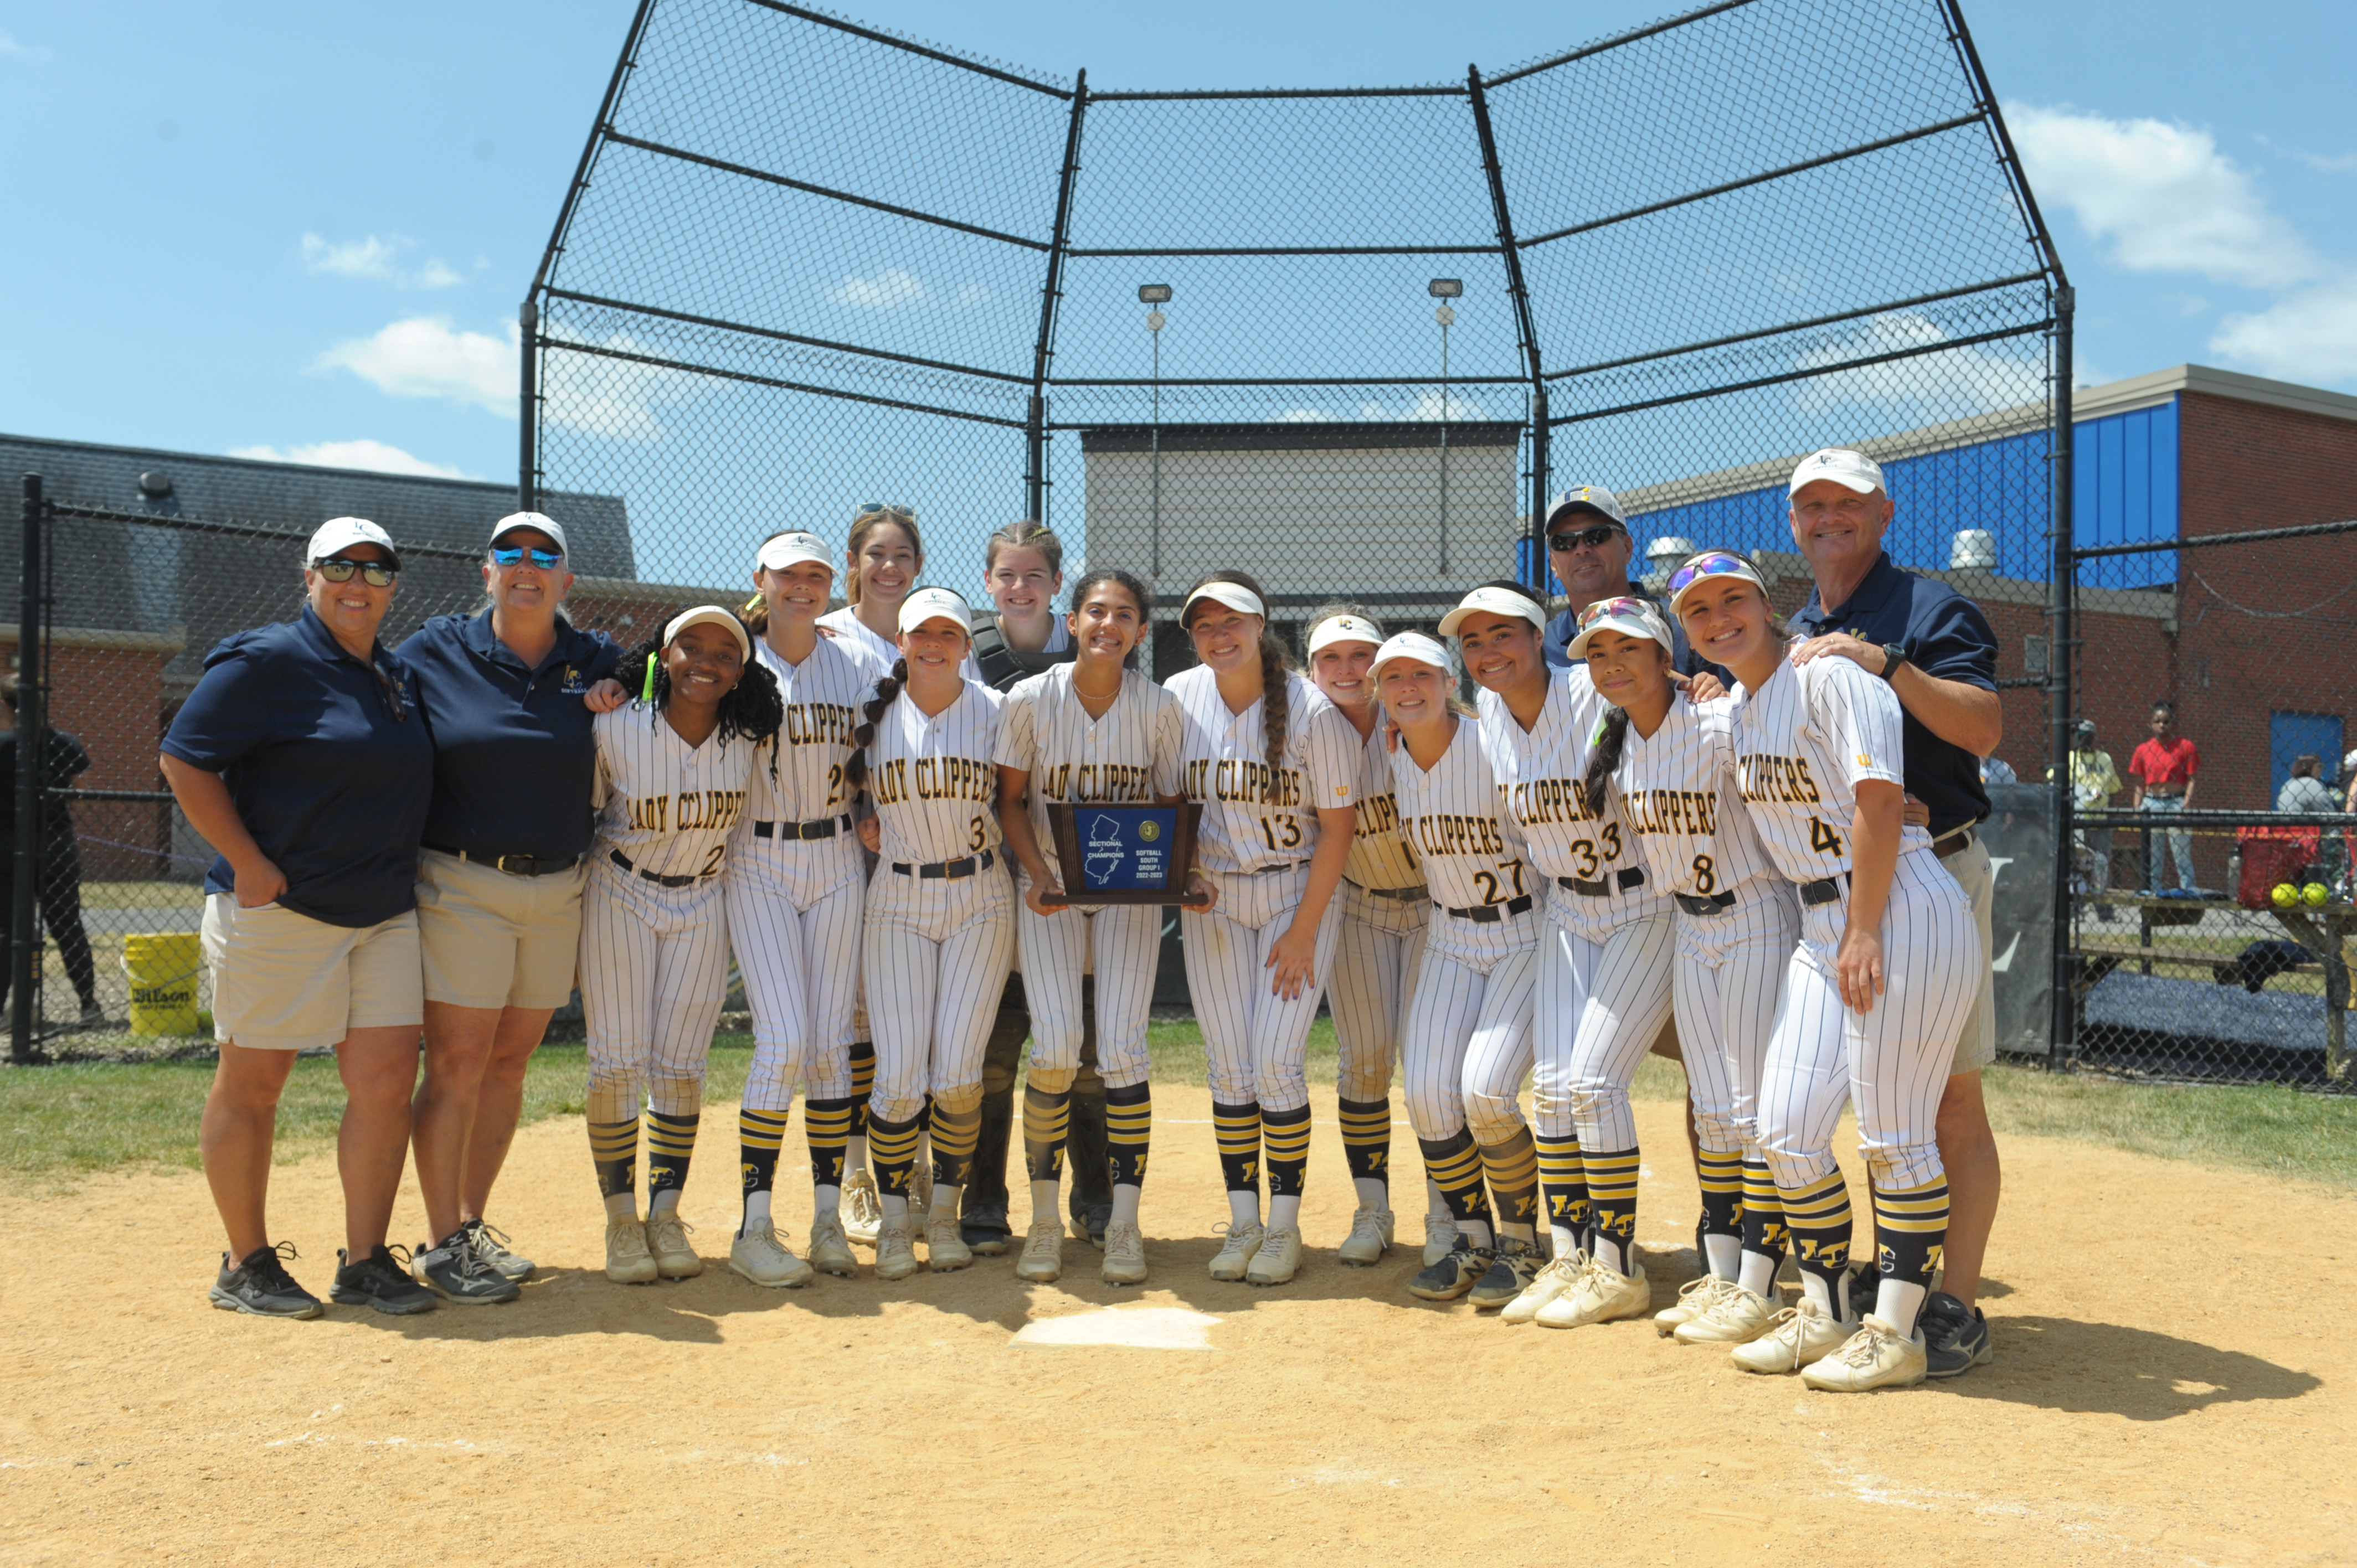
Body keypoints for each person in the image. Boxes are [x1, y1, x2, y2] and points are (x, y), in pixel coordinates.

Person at [1674, 549, 1982, 1391]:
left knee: (1895, 1135)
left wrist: (1864, 928)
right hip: (1820, 923)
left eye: (1731, 599)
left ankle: (1897, 1331)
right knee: (1785, 1130)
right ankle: (1825, 1308)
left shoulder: (1833, 677)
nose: (1717, 618)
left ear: (1768, 604)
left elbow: (1880, 802)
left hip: (1895, 915)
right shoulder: (1738, 708)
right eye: (1698, 611)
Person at [159, 517, 437, 1318]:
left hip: (382, 911)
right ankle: (244, 1263)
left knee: (386, 1083)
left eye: (378, 570)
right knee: (256, 1082)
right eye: (340, 567)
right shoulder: (269, 660)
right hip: (280, 908)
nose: (359, 583)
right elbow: (184, 757)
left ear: (394, 586)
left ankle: (364, 1262)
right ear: (307, 575)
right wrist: (248, 862)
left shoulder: (392, 672)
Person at [1782, 446, 2006, 1382]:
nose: (1828, 517)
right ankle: (1886, 1282)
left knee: (1946, 1094)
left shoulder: (1927, 608)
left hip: (1933, 874)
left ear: (1882, 513)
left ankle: (1953, 1297)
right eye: (1811, 506)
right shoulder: (1796, 622)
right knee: (1865, 1097)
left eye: (1847, 503)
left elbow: (1982, 727)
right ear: (1794, 523)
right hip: (1834, 890)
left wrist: (1888, 664)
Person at [397, 512, 625, 1306]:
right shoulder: (436, 648)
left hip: (561, 885)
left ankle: (468, 1225)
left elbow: (673, 670)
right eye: (510, 554)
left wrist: (629, 686)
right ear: (486, 570)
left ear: (567, 581)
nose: (525, 566)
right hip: (462, 882)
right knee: (457, 1062)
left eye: (544, 557)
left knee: (508, 1063)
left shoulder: (591, 655)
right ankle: (437, 1241)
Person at [1446, 581, 1674, 1321]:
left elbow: (1676, 707)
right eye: (1473, 642)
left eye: (1503, 635)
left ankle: (1619, 1269)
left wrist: (1700, 679)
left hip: (1643, 903)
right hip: (1566, 914)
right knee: (1550, 1090)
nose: (1488, 652)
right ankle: (1572, 1256)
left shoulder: (1590, 689)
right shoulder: (1484, 717)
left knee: (1595, 1085)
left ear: (1537, 634)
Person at [1169, 572, 1360, 1287]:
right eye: (1204, 625)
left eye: (1233, 621)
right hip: (1215, 896)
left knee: (1277, 1064)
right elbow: (1168, 800)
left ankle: (1283, 1228)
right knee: (1229, 1066)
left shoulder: (1312, 711)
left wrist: (1306, 930)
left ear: (1260, 625)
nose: (1219, 635)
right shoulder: (1179, 697)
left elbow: (1337, 830)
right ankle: (1242, 1221)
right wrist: (1182, 871)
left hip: (1294, 893)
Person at [580, 607, 781, 1286]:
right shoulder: (613, 726)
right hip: (621, 890)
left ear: (741, 671)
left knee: (680, 1066)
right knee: (615, 1063)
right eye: (689, 646)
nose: (706, 661)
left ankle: (665, 1215)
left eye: (725, 653)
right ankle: (619, 1219)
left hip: (702, 897)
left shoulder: (750, 738)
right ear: (661, 656)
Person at [995, 567, 1185, 1286]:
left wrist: (1177, 876)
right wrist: (1038, 875)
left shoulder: (1158, 707)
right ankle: (1044, 1220)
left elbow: (1169, 806)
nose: (1109, 624)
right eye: (1096, 612)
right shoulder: (1029, 699)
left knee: (1125, 1054)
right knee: (1056, 1048)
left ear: (1140, 630)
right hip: (1049, 887)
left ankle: (1125, 1227)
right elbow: (1011, 801)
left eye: (1125, 614)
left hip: (1128, 896)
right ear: (1071, 622)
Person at [1361, 631, 1543, 1312]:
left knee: (1487, 1092)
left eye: (1422, 675)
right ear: (1380, 694)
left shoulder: (1491, 745)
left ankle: (1521, 1244)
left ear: (1447, 682)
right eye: (1393, 678)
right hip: (1448, 931)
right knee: (1429, 1096)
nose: (1408, 688)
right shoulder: (1394, 757)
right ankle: (1472, 1240)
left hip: (1524, 928)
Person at [723, 529, 884, 1287]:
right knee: (783, 1039)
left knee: (828, 1042)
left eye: (816, 575)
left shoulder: (853, 661)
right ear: (761, 578)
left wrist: (878, 806)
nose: (802, 586)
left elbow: (887, 744)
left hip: (835, 854)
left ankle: (826, 1217)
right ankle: (754, 1225)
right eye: (788, 574)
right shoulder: (736, 656)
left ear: (834, 583)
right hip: (757, 854)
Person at [847, 586, 1017, 1281]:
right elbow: (835, 786)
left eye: (949, 633)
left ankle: (942, 1215)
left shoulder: (1000, 712)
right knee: (896, 1081)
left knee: (955, 1078)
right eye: (923, 633)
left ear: (966, 644)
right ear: (901, 642)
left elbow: (1022, 798)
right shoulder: (872, 715)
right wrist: (862, 808)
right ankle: (895, 1222)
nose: (935, 644)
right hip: (897, 896)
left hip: (980, 897)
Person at [959, 520, 1116, 1260]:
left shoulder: (1089, 645)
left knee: (1082, 1049)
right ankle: (984, 1197)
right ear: (987, 582)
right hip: (990, 872)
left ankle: (1093, 1198)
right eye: (1006, 576)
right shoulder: (967, 653)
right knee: (998, 1050)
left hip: (1078, 878)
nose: (1019, 588)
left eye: (1034, 576)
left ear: (1059, 583)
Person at [1303, 606, 1433, 1268]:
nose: (1348, 671)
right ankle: (1372, 1208)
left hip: (1436, 910)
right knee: (1363, 1062)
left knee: (1432, 1071)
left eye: (1362, 657)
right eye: (1333, 659)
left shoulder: (1420, 718)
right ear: (1312, 671)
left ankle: (1446, 1213)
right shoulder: (1305, 732)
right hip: (1359, 908)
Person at [816, 504, 924, 1241]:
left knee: (906, 1014)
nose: (890, 567)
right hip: (850, 842)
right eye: (876, 554)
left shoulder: (937, 633)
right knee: (858, 1016)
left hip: (923, 846)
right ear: (853, 563)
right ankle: (855, 1170)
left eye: (902, 556)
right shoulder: (829, 636)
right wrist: (860, 806)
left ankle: (904, 1164)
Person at [1536, 484, 1723, 690]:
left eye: (1596, 535)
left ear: (1627, 548)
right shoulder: (1543, 647)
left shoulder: (1684, 627)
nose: (1581, 549)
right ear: (1553, 564)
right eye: (1564, 542)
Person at [0, 677, 101, 1025]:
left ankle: (9, 1010)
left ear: (8, 706)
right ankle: (89, 1004)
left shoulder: (3, 744)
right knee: (66, 924)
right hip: (56, 843)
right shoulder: (64, 743)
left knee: (10, 929)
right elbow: (81, 787)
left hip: (8, 844)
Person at [2051, 720, 2122, 919]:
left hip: (2100, 822)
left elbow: (2114, 789)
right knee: (2074, 864)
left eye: (2084, 734)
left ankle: (2104, 911)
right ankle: (2075, 909)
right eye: (2077, 734)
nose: (2079, 738)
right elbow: (2053, 781)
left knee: (2101, 864)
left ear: (2093, 736)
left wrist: (2108, 814)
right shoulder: (2070, 759)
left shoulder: (2104, 758)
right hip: (2076, 822)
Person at [2127, 701, 2199, 894]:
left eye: (2166, 722)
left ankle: (2189, 892)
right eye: (2157, 721)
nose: (2162, 726)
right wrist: (2137, 807)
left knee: (2181, 854)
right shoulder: (2143, 750)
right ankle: (2153, 893)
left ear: (2172, 723)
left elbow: (2192, 779)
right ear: (2151, 723)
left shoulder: (2185, 747)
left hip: (2176, 801)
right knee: (2153, 855)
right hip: (2151, 802)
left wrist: (2187, 804)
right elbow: (2139, 783)